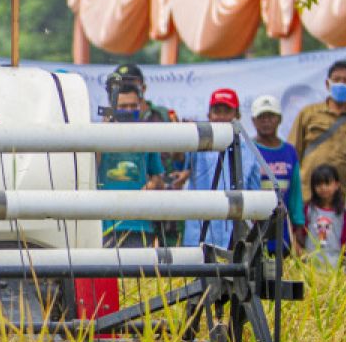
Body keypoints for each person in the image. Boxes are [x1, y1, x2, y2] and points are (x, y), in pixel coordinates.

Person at [177, 88, 261, 248]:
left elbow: (254, 196)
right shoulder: (196, 145)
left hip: (235, 238)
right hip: (199, 236)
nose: (221, 117)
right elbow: (178, 157)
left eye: (227, 111)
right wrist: (183, 132)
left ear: (237, 116)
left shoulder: (250, 151)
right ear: (209, 115)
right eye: (217, 111)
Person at [289, 60, 346, 201]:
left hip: (345, 197)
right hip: (307, 194)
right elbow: (292, 153)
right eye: (336, 80)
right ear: (327, 84)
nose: (341, 84)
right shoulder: (308, 113)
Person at [97, 80, 164, 247]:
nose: (129, 111)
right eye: (123, 106)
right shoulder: (98, 135)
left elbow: (158, 177)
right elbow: (91, 168)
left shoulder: (147, 135)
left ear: (140, 105)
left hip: (140, 224)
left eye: (133, 106)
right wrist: (101, 131)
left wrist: (151, 185)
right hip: (106, 224)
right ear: (112, 107)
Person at [251, 94, 305, 251]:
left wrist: (298, 226)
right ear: (253, 121)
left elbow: (295, 192)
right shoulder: (247, 149)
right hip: (255, 229)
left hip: (283, 230)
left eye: (271, 116)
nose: (266, 121)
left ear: (279, 119)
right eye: (261, 117)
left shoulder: (289, 151)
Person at [300, 164, 346, 268]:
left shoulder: (343, 213)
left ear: (337, 185)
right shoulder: (309, 209)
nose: (323, 188)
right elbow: (301, 232)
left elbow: (345, 238)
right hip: (311, 262)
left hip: (334, 262)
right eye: (318, 184)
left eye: (327, 183)